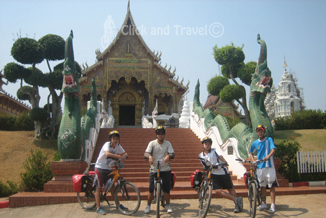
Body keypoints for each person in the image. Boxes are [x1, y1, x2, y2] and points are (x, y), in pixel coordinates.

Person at [198, 137, 243, 213]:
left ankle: (237, 205)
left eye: (209, 144)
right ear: (202, 145)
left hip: (222, 172)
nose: (207, 145)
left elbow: (220, 157)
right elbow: (204, 165)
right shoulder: (201, 156)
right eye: (206, 144)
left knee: (230, 189)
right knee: (217, 191)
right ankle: (236, 200)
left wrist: (224, 162)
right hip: (213, 174)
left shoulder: (214, 151)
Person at [94, 130, 128, 215]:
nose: (115, 140)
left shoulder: (118, 146)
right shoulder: (107, 145)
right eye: (114, 139)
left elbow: (125, 153)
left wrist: (124, 156)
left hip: (108, 168)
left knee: (112, 186)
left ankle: (118, 204)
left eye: (117, 139)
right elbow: (107, 154)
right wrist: (119, 156)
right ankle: (98, 208)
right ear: (111, 139)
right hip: (100, 167)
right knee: (98, 187)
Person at [143, 126, 175, 214]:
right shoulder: (152, 143)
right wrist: (149, 156)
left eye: (162, 134)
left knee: (166, 187)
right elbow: (146, 153)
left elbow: (172, 153)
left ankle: (168, 204)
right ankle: (148, 205)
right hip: (154, 167)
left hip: (165, 168)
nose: (160, 135)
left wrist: (168, 156)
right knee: (150, 188)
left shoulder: (168, 143)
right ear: (156, 135)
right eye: (158, 133)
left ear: (164, 135)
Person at [250, 125, 278, 213]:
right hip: (260, 167)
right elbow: (251, 152)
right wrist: (253, 160)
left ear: (264, 132)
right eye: (258, 131)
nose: (260, 133)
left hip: (269, 166)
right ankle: (263, 203)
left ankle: (273, 204)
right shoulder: (255, 143)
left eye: (261, 131)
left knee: (271, 186)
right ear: (257, 132)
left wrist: (267, 157)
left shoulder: (269, 140)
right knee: (262, 186)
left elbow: (273, 150)